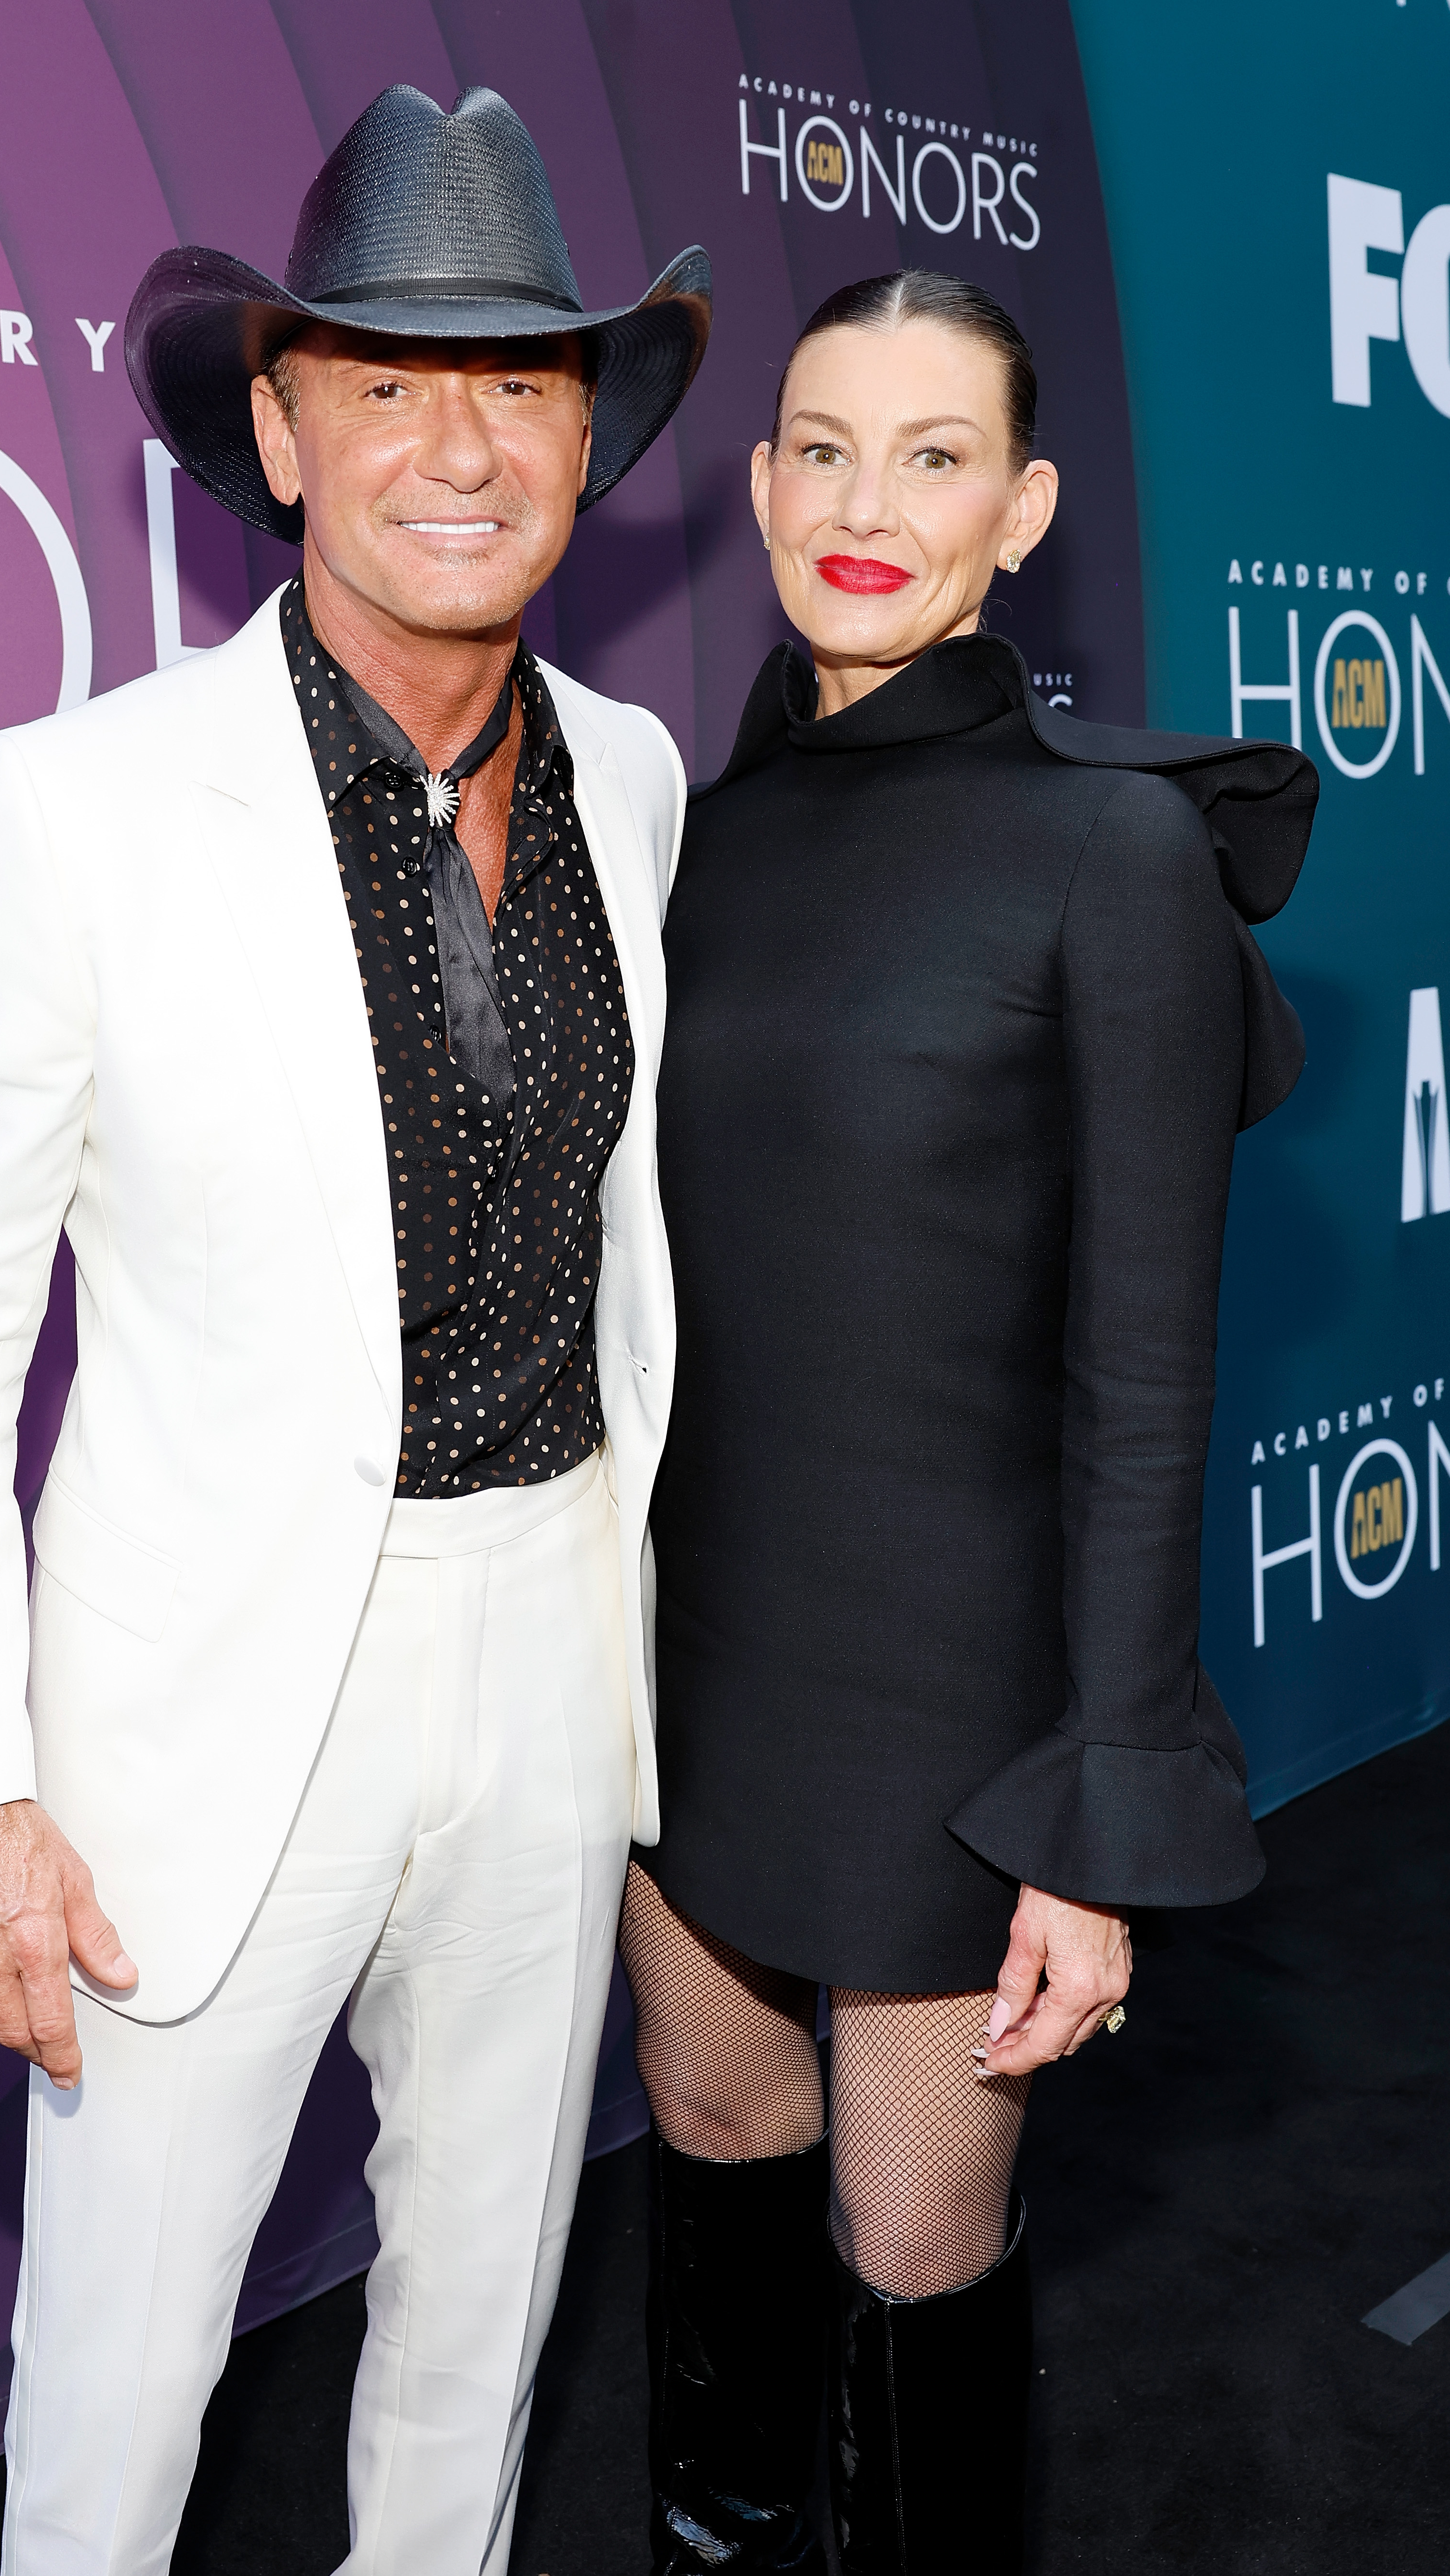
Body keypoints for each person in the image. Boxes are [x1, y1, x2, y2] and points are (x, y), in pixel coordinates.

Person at [0, 85, 709, 2576]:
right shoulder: (71, 807)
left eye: (523, 382)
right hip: (190, 1717)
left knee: (479, 2335)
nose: (464, 442)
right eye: (391, 378)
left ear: (588, 435)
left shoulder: (638, 781)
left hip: (553, 1644)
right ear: (278, 426)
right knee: (112, 2404)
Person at [620, 270, 1317, 2574]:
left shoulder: (1103, 852)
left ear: (1020, 513)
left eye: (935, 459)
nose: (865, 503)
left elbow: (1145, 1377)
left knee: (912, 2248)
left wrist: (1089, 1818)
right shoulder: (679, 847)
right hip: (678, 1662)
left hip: (951, 1711)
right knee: (712, 2158)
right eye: (821, 444)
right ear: (755, 478)